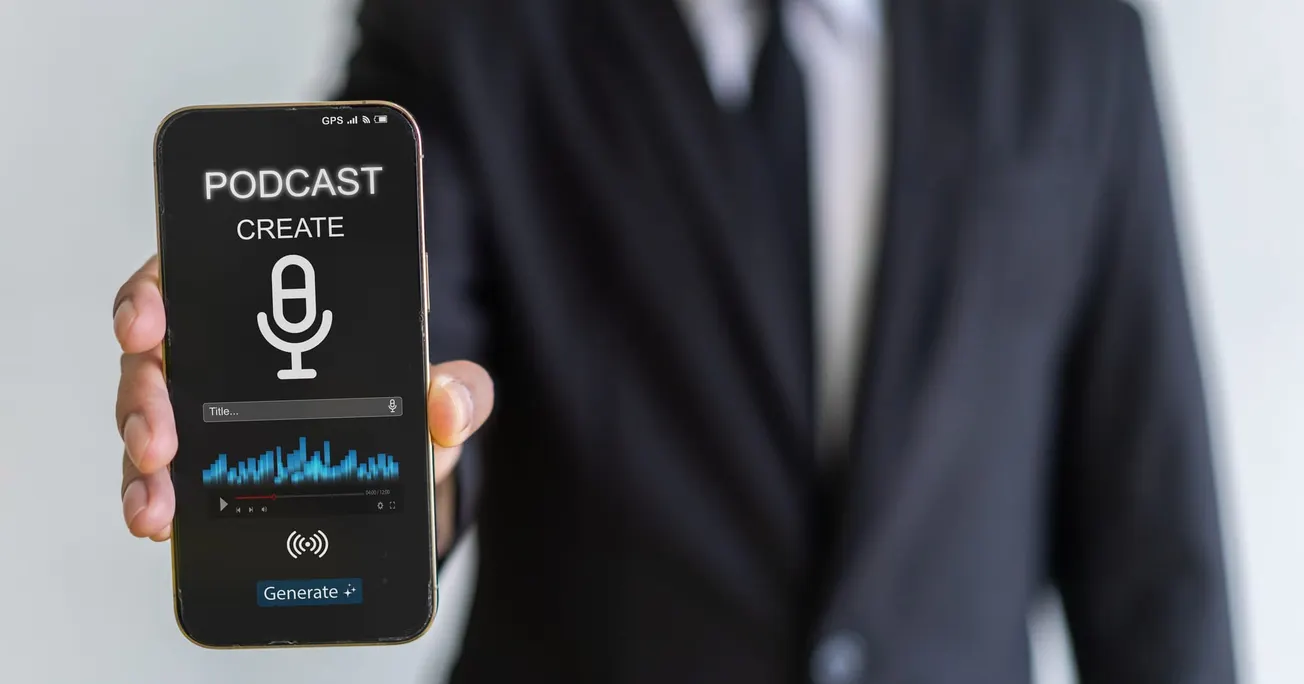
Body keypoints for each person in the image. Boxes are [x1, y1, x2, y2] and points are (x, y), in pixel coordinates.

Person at [112, 0, 1238, 682]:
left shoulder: (1074, 41)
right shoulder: (464, 27)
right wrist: (348, 459)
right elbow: (411, 350)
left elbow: (1155, 553)